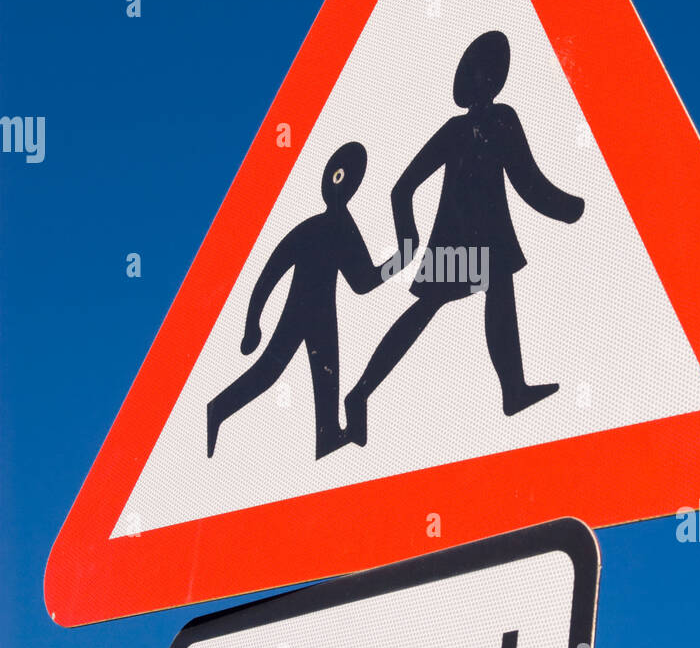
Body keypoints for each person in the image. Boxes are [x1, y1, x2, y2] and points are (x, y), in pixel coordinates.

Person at [343, 31, 585, 449]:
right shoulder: (491, 122)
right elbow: (526, 181)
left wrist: (566, 207)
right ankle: (362, 391)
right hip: (465, 240)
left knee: (471, 296)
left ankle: (509, 389)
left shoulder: (476, 125)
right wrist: (571, 208)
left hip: (474, 239)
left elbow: (527, 180)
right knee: (453, 301)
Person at [207, 142, 399, 461]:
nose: (339, 184)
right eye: (336, 176)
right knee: (268, 372)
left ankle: (328, 435)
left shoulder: (345, 227)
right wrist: (252, 324)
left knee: (327, 375)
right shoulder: (315, 227)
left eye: (347, 177)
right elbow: (270, 273)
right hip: (298, 313)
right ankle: (217, 408)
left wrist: (398, 261)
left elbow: (363, 281)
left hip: (323, 315)